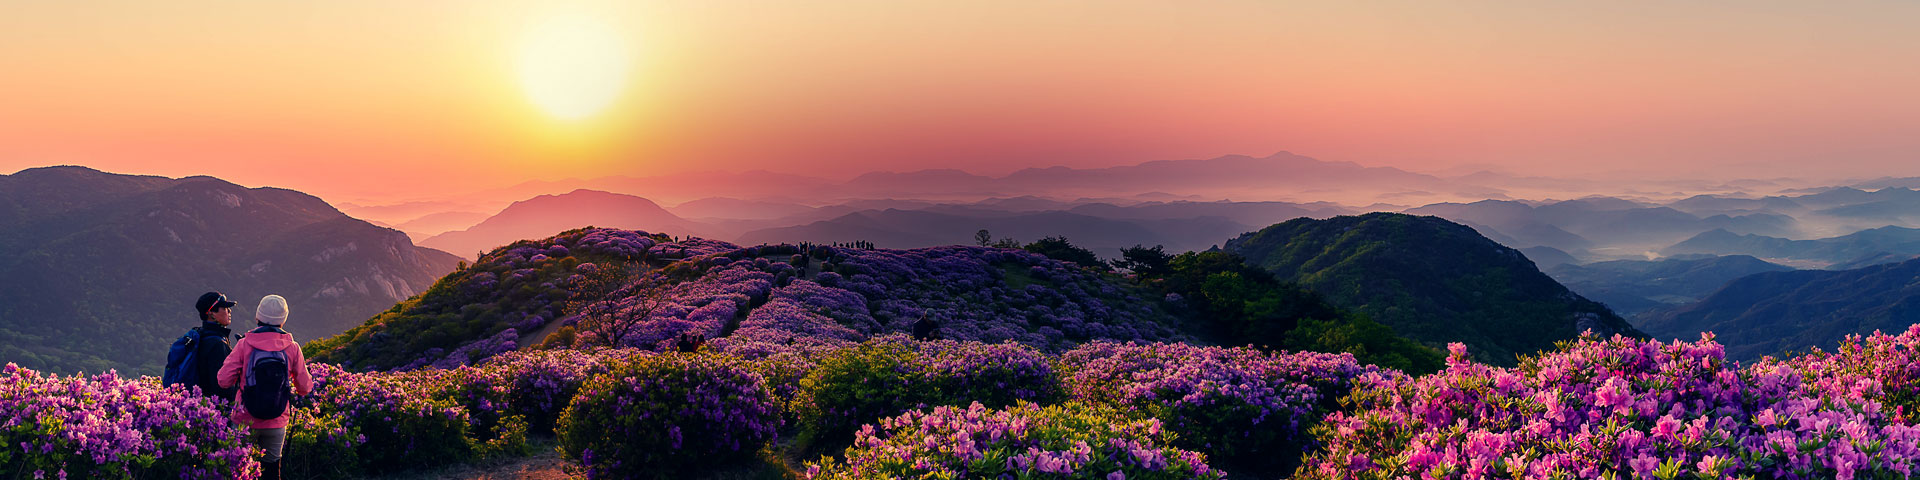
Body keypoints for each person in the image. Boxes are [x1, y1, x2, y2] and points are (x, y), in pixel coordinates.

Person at [219, 295, 313, 480]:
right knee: (271, 472)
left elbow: (223, 380)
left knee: (236, 470)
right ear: (283, 319)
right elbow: (305, 387)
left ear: (257, 317)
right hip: (277, 420)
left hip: (244, 419)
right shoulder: (292, 348)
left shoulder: (244, 344)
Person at [189, 292, 239, 400]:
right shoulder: (218, 344)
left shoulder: (201, 336)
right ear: (211, 313)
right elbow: (222, 387)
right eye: (225, 308)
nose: (229, 311)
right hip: (215, 410)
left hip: (200, 404)